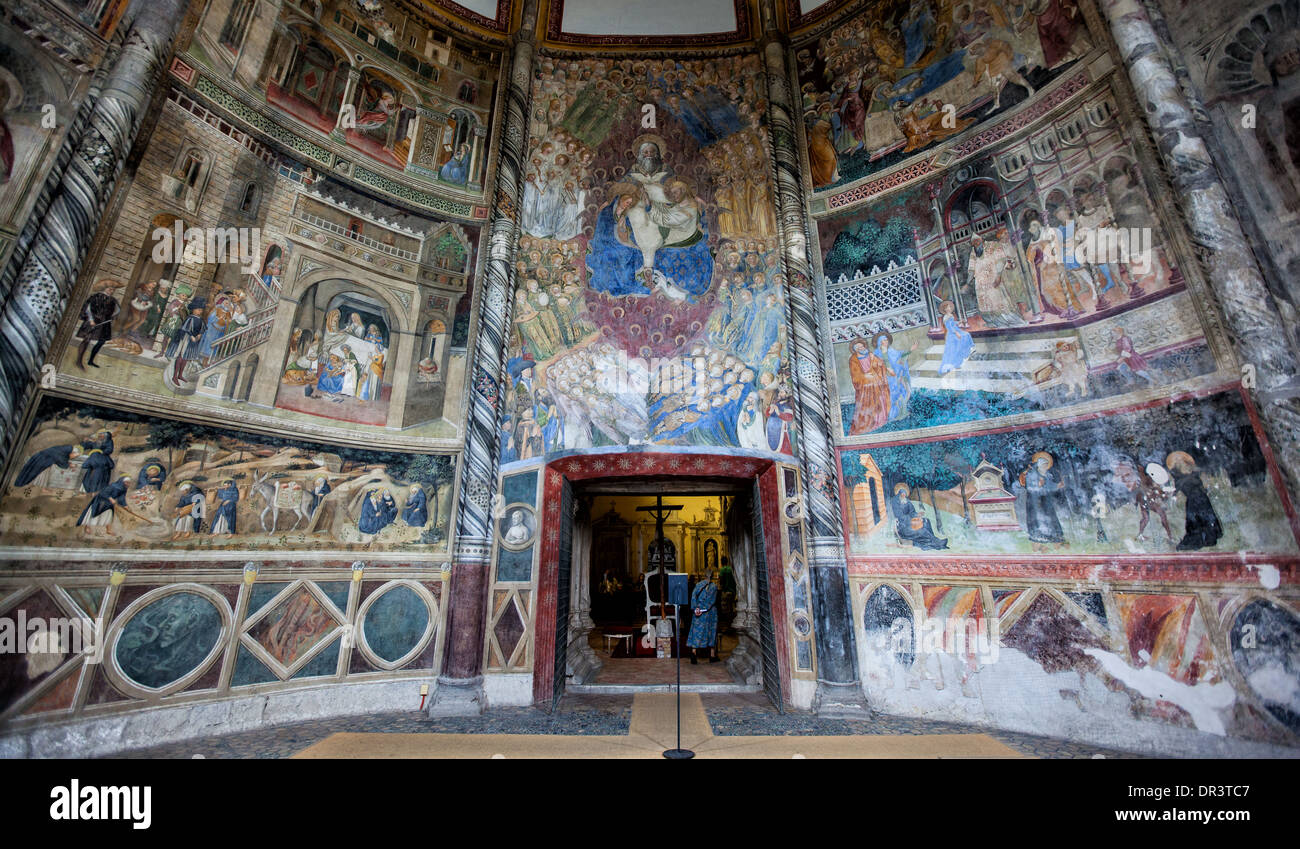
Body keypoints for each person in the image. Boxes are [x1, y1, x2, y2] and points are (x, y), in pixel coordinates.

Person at [1167, 451, 1222, 551]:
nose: (1181, 463)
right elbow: (1177, 490)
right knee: (1194, 522)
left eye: (1182, 461)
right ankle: (1197, 541)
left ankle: (1209, 539)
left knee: (1207, 519)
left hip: (1202, 498)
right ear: (1177, 466)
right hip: (1192, 501)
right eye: (1178, 462)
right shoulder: (1179, 478)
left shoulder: (1194, 473)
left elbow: (1203, 483)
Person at [76, 280, 123, 369]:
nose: (111, 291)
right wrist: (91, 320)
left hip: (105, 322)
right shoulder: (96, 296)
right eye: (110, 289)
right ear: (105, 288)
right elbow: (88, 309)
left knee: (102, 341)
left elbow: (118, 310)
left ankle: (90, 361)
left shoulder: (113, 300)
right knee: (87, 339)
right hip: (94, 321)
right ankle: (79, 360)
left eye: (113, 290)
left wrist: (111, 316)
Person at [1022, 452, 1066, 545]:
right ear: (1039, 465)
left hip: (1046, 499)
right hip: (1035, 501)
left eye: (1047, 465)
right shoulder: (1031, 474)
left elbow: (1050, 486)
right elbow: (1029, 487)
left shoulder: (1047, 475)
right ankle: (1038, 535)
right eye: (1044, 465)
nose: (1046, 467)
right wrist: (1038, 486)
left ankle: (1054, 535)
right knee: (1038, 516)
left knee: (1050, 515)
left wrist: (1057, 485)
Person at [891, 483, 949, 549]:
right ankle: (936, 543)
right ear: (899, 493)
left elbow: (912, 512)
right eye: (902, 494)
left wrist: (917, 514)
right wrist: (911, 519)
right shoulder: (895, 502)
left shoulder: (907, 501)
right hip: (903, 526)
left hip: (909, 522)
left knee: (926, 521)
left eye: (905, 494)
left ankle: (934, 540)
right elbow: (900, 516)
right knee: (923, 531)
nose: (904, 495)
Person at [687, 569, 720, 663]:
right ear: (712, 575)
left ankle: (693, 654)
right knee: (711, 632)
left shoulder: (698, 585)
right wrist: (703, 610)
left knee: (696, 631)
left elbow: (693, 597)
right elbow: (711, 600)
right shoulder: (713, 586)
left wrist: (696, 609)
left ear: (704, 575)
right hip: (710, 613)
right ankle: (712, 655)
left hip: (697, 612)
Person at [937, 300, 974, 374]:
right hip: (952, 333)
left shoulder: (950, 315)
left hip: (956, 330)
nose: (949, 309)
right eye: (947, 308)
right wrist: (956, 333)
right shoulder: (946, 317)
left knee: (967, 334)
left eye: (950, 307)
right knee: (956, 347)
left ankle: (969, 350)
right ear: (945, 309)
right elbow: (949, 327)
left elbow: (953, 323)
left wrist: (959, 322)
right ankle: (956, 363)